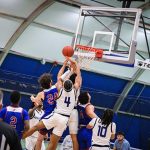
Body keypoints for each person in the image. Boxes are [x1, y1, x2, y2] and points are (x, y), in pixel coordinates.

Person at [23, 58, 81, 150]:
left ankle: (19, 137)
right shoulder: (71, 91)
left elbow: (59, 77)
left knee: (39, 137)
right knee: (53, 142)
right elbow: (75, 80)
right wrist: (73, 69)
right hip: (64, 118)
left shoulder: (53, 90)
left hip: (52, 115)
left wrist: (65, 65)